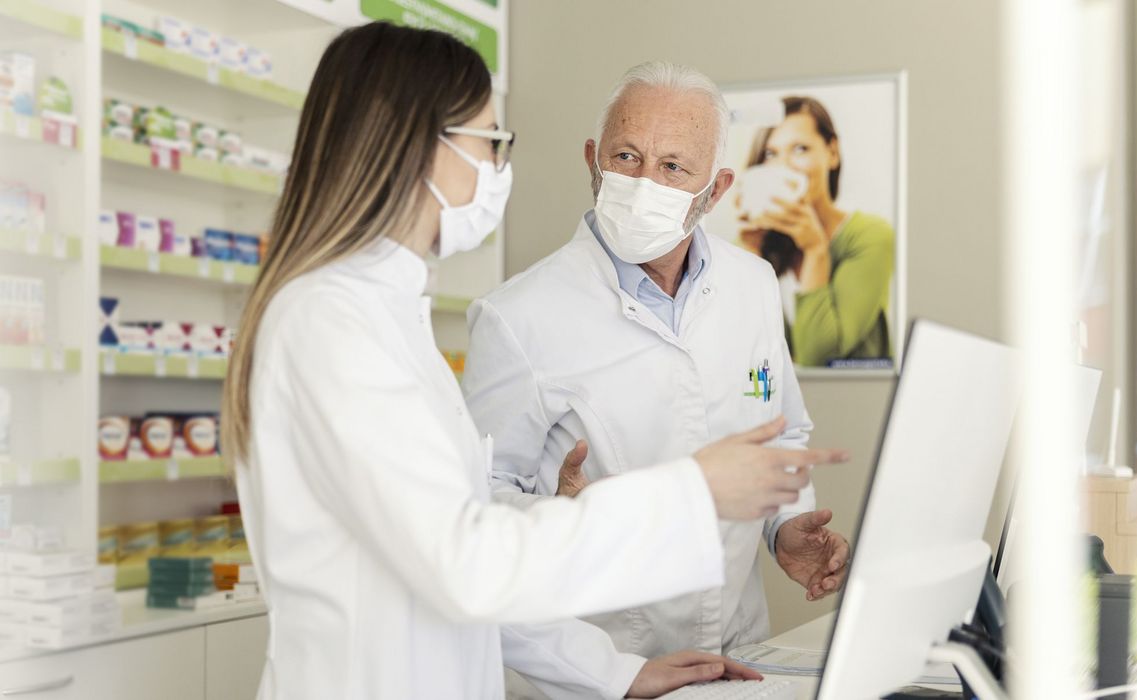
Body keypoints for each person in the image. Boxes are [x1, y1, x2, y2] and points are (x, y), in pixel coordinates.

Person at [220, 25, 841, 700]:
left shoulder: (382, 311)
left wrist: (612, 668)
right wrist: (694, 492)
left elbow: (463, 547)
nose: (497, 167)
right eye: (489, 142)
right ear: (415, 146)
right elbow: (469, 563)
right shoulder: (331, 322)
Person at [462, 62, 852, 672]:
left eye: (673, 167)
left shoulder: (751, 284)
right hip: (605, 665)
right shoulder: (518, 317)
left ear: (715, 189)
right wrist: (565, 522)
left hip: (739, 655)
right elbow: (475, 511)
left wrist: (785, 526)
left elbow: (783, 431)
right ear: (593, 160)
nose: (644, 182)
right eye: (625, 156)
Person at [739, 96, 895, 368]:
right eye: (771, 153)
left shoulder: (870, 236)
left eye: (800, 149)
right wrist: (751, 253)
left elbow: (817, 358)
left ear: (832, 153)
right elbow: (760, 358)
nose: (783, 166)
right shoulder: (754, 243)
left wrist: (815, 250)